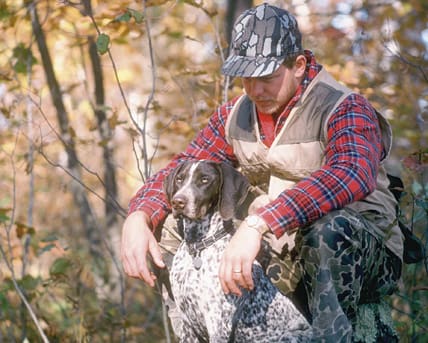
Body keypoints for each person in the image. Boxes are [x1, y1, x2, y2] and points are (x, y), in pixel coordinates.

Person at [121, 3, 403, 342]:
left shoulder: (345, 107)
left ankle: (332, 335)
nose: (256, 91)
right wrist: (139, 216)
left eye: (267, 78)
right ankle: (192, 329)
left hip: (361, 253)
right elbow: (186, 164)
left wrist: (258, 223)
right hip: (284, 245)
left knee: (330, 228)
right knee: (169, 223)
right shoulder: (234, 114)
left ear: (298, 66)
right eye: (247, 78)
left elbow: (351, 174)